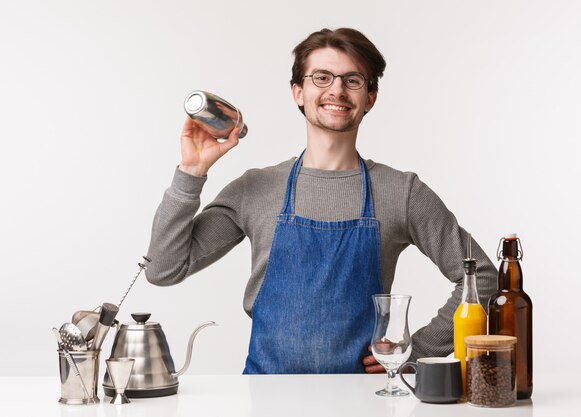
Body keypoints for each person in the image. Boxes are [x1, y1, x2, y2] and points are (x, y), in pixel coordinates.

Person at [146, 28, 497, 374]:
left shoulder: (401, 192)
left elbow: (482, 276)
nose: (337, 90)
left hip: (362, 398)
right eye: (322, 77)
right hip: (267, 399)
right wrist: (190, 172)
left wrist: (416, 350)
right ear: (298, 92)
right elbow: (164, 269)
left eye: (353, 80)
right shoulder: (254, 188)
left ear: (370, 98)